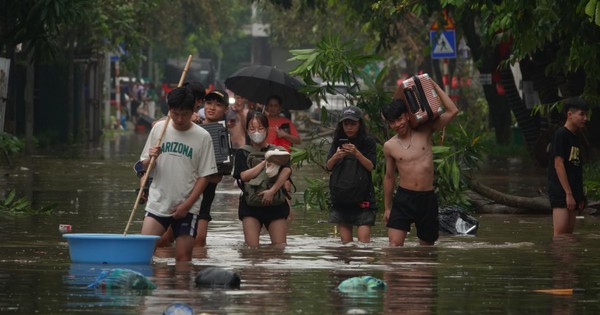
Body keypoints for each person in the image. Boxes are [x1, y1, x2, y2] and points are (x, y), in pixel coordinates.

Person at [138, 86, 217, 262]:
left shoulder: (203, 136)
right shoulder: (159, 129)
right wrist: (150, 158)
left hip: (188, 207)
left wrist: (187, 205)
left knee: (183, 259)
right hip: (158, 203)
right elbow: (142, 167)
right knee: (143, 253)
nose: (180, 119)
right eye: (175, 113)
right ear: (169, 110)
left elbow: (205, 176)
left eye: (185, 114)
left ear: (194, 111)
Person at [382, 81, 459, 246]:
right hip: (403, 198)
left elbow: (453, 111)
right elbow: (389, 177)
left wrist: (435, 87)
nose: (398, 124)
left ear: (407, 115)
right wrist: (387, 208)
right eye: (392, 122)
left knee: (427, 249)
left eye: (400, 119)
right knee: (394, 246)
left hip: (427, 198)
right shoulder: (389, 146)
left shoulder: (425, 130)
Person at [157, 89, 229, 248]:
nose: (212, 107)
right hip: (177, 191)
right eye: (209, 103)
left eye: (218, 105)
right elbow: (159, 125)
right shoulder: (188, 124)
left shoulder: (223, 136)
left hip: (203, 196)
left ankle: (192, 271)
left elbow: (218, 177)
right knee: (164, 240)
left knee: (198, 241)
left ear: (225, 109)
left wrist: (199, 176)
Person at [233, 111, 292, 247]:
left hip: (276, 205)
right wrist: (264, 162)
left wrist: (272, 191)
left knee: (279, 249)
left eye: (260, 128)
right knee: (252, 250)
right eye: (252, 128)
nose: (256, 132)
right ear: (247, 130)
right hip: (250, 206)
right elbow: (244, 176)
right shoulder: (242, 153)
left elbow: (287, 170)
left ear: (266, 129)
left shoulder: (279, 151)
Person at [325, 106, 377, 243]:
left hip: (363, 198)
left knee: (363, 245)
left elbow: (371, 166)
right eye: (346, 124)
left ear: (360, 124)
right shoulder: (337, 141)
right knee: (346, 247)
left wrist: (357, 153)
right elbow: (328, 166)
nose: (349, 127)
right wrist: (336, 156)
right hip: (342, 199)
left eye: (353, 124)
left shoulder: (368, 142)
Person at [547, 97, 588, 237]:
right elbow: (558, 164)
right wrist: (568, 194)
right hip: (561, 193)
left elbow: (576, 168)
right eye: (581, 114)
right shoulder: (561, 135)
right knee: (560, 237)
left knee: (569, 237)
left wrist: (579, 195)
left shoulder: (576, 137)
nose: (585, 118)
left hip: (573, 193)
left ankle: (568, 260)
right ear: (570, 114)